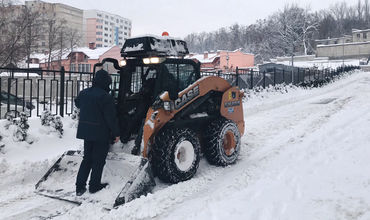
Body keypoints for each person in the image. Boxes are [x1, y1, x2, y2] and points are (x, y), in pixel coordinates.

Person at [75, 69, 120, 196]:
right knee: (98, 160)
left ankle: (79, 186)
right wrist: (116, 133)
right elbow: (110, 118)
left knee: (87, 159)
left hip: (86, 132)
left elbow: (77, 103)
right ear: (106, 82)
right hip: (101, 133)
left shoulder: (84, 93)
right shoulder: (106, 97)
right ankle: (94, 186)